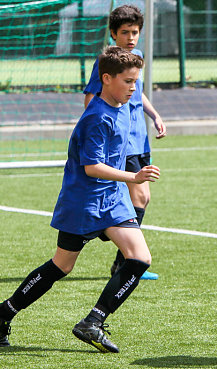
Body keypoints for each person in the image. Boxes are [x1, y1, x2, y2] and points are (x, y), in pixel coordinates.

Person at [0, 46, 160, 353]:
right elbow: (92, 167)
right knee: (62, 265)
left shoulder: (124, 108)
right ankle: (4, 312)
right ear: (106, 79)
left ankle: (93, 321)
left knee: (139, 258)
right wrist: (134, 178)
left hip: (111, 200)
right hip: (84, 203)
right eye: (128, 81)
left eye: (136, 81)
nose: (133, 88)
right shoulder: (97, 117)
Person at [84, 5, 165, 280]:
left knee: (143, 197)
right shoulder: (107, 61)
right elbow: (91, 98)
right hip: (122, 141)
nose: (131, 38)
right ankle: (128, 262)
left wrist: (154, 115)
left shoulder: (137, 57)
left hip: (140, 138)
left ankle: (120, 251)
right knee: (140, 195)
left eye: (135, 32)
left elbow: (137, 92)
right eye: (125, 32)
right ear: (113, 34)